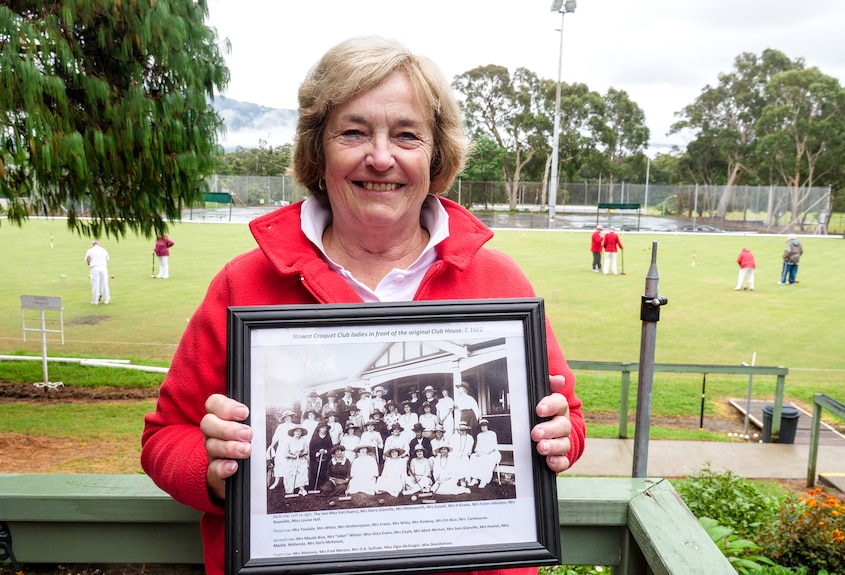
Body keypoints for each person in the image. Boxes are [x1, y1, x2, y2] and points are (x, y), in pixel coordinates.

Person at [141, 36, 585, 575]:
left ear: (435, 154)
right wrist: (211, 469)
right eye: (353, 132)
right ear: (318, 150)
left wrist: (559, 436)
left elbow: (568, 422)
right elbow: (166, 437)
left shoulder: (499, 281)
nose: (380, 157)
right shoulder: (243, 283)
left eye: (406, 135)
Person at [468, 419, 501, 488]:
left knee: (486, 459)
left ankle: (484, 480)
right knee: (473, 457)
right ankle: (475, 478)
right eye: (482, 426)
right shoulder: (479, 435)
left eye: (485, 425)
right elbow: (477, 446)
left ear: (487, 426)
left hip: (492, 453)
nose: (483, 427)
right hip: (482, 453)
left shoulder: (492, 433)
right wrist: (477, 452)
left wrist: (485, 453)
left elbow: (494, 446)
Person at [84, 240, 110, 305]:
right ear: (99, 244)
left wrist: (90, 265)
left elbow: (87, 261)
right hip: (103, 268)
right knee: (104, 284)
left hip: (94, 268)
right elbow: (107, 259)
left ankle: (95, 301)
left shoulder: (89, 251)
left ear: (92, 244)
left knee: (95, 284)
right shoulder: (104, 250)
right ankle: (106, 299)